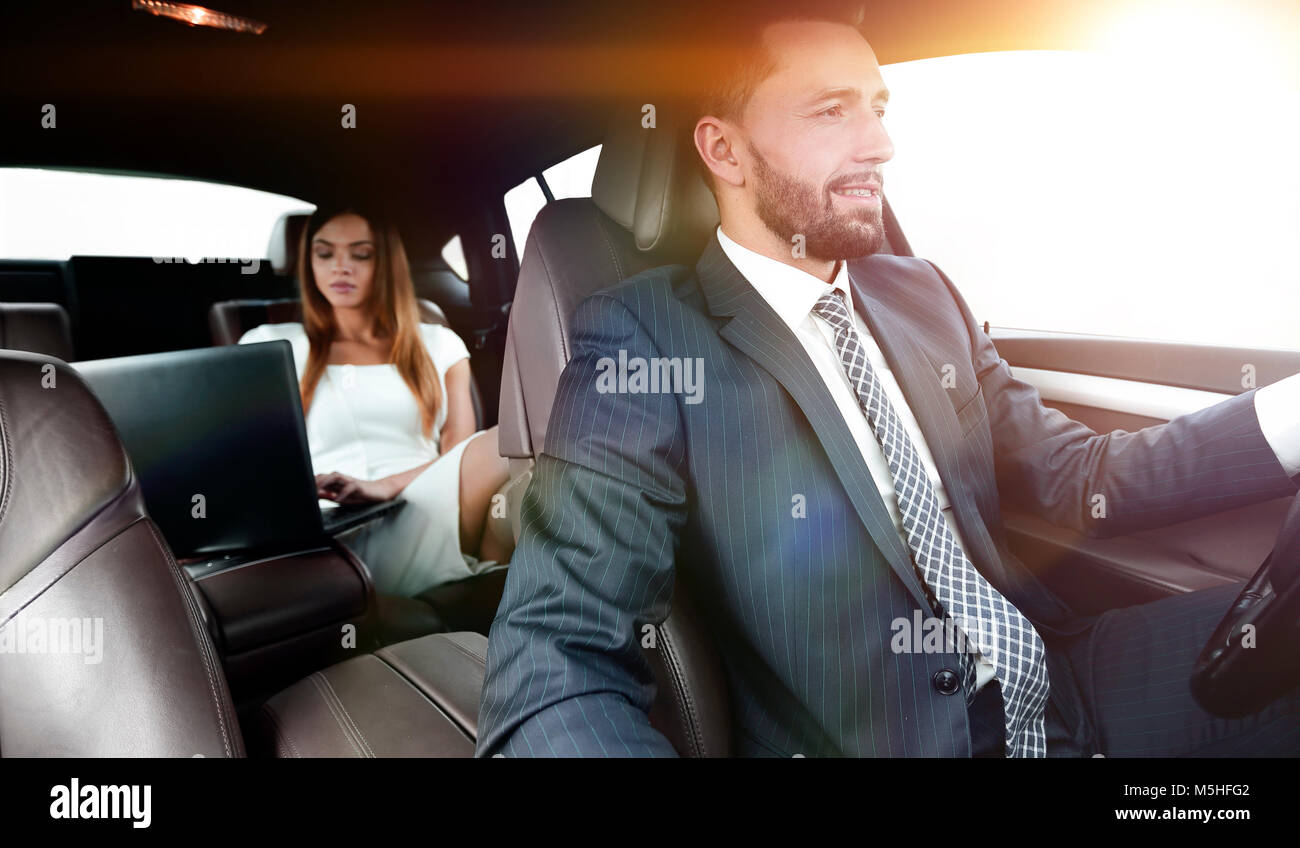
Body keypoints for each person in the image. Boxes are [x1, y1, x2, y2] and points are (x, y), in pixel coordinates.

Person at [476, 7, 1300, 756]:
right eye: (831, 111)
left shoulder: (922, 294)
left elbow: (1082, 479)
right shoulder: (644, 340)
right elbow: (559, 651)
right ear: (723, 149)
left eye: (878, 108)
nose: (879, 144)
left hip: (1061, 680)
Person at [239, 206, 512, 596]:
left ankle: (488, 607)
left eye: (360, 254)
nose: (341, 267)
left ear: (385, 263)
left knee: (513, 446)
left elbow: (460, 453)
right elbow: (253, 461)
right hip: (333, 524)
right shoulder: (270, 343)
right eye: (325, 253)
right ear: (308, 262)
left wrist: (385, 486)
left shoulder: (439, 343)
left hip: (426, 502)